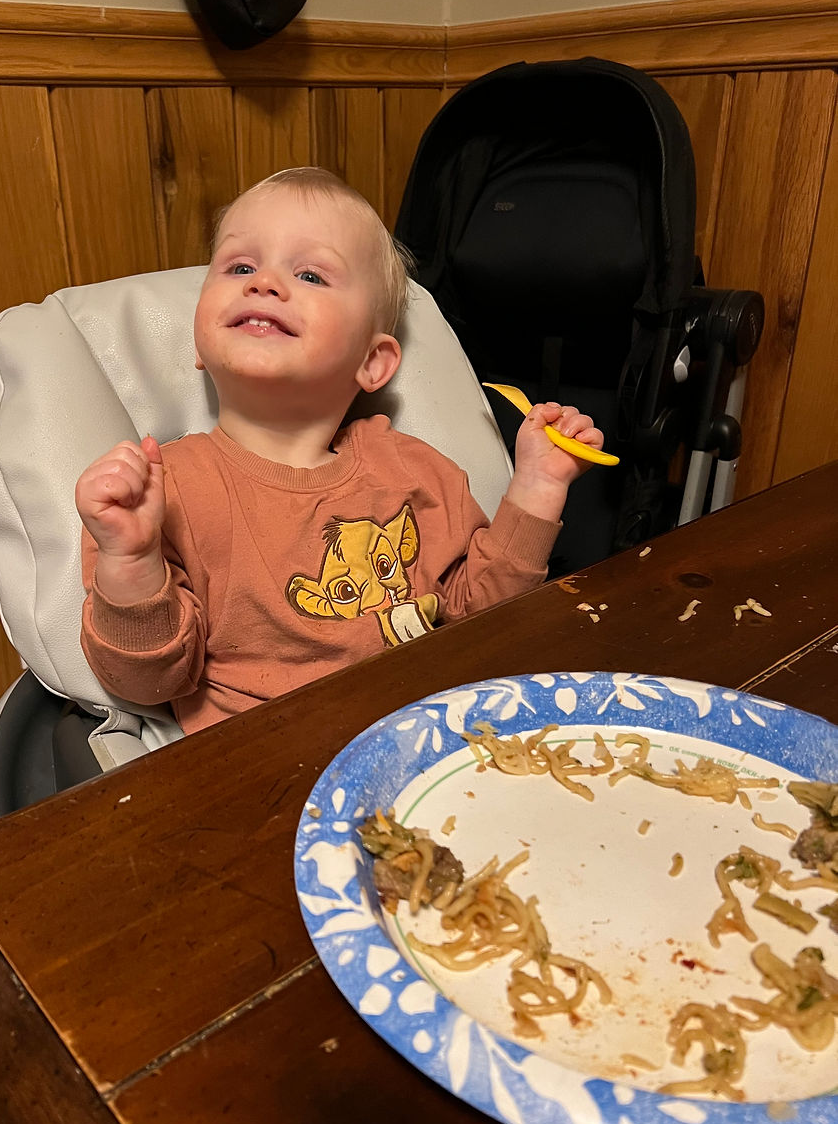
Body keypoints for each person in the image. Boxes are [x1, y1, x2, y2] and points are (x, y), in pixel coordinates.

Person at [75, 167, 605, 733]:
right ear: (199, 344)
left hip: (428, 741)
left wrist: (538, 489)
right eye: (240, 267)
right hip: (266, 770)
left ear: (373, 362)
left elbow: (481, 620)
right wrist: (130, 562)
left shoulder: (413, 471)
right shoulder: (160, 492)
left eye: (309, 274)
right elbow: (148, 682)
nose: (265, 283)